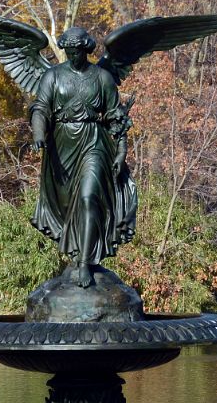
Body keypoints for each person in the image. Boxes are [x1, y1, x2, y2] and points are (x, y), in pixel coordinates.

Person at [29, 27, 137, 289]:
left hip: (93, 141)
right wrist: (39, 133)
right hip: (61, 147)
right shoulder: (52, 76)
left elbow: (115, 116)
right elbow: (41, 107)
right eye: (68, 51)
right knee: (68, 208)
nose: (73, 55)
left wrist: (122, 150)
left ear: (86, 49)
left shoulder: (101, 78)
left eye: (77, 51)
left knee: (89, 198)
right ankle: (78, 253)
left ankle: (85, 263)